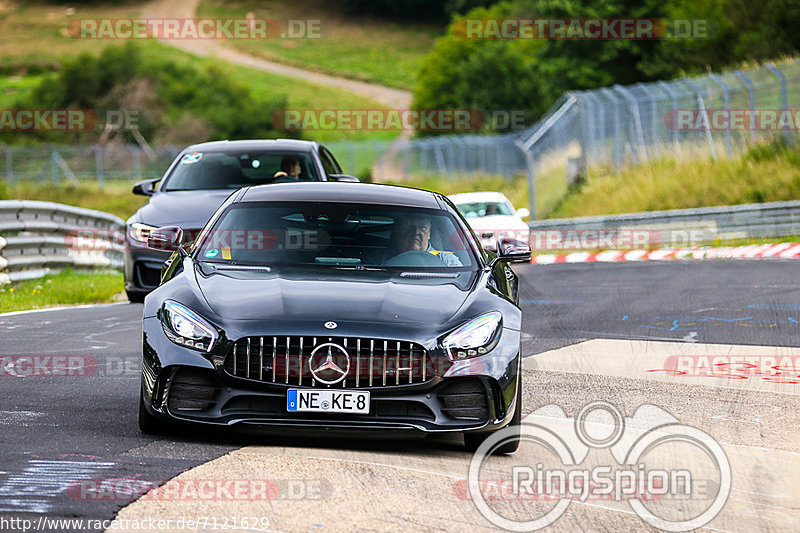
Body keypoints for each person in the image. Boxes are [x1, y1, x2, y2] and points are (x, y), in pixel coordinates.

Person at [388, 214, 462, 266]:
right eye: (409, 228)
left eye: (422, 228)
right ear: (397, 231)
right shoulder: (380, 259)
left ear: (429, 233)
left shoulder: (447, 260)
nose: (416, 232)